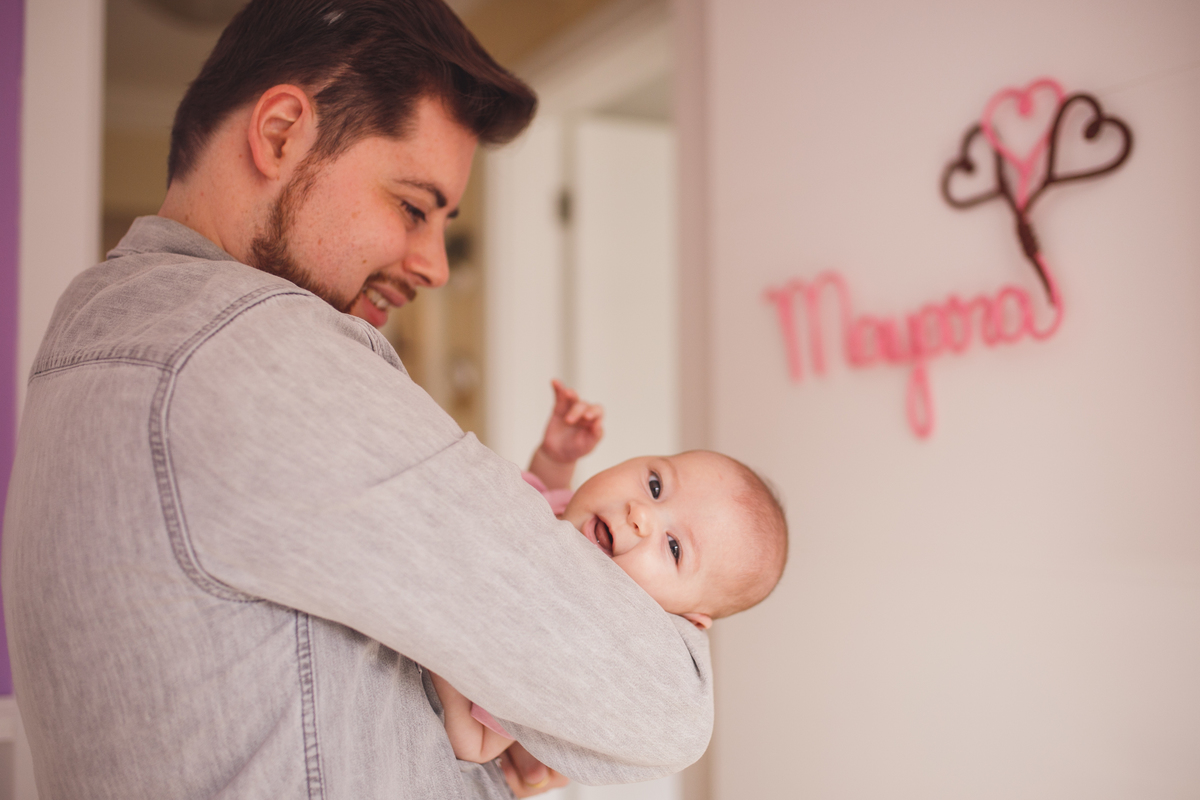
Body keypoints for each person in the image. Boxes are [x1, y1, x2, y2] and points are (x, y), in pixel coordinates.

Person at [0, 2, 712, 798]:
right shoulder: (255, 351)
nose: (436, 266)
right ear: (279, 134)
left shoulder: (92, 330)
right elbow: (662, 705)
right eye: (413, 207)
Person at [431, 382, 788, 764]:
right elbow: (548, 504)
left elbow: (477, 744)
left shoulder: (581, 638)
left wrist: (438, 630)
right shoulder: (562, 512)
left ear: (684, 618)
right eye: (655, 485)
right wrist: (554, 459)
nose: (641, 515)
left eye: (674, 548)